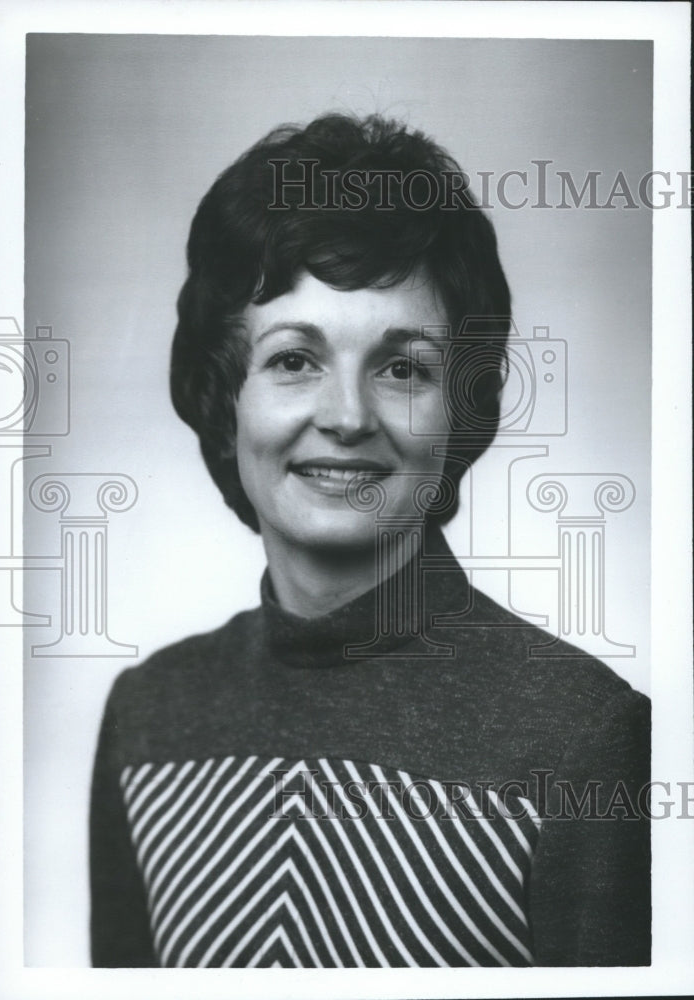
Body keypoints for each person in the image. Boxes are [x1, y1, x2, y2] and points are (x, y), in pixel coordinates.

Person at [89, 113, 650, 968]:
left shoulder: (582, 739)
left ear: (460, 409)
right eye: (292, 360)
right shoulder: (149, 719)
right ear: (223, 396)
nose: (348, 416)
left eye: (403, 368)